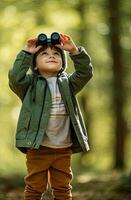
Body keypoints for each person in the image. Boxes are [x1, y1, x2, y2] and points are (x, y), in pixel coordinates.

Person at [8, 33, 93, 200]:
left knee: (63, 187)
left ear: (62, 62)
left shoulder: (68, 83)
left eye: (56, 54)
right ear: (35, 65)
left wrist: (74, 51)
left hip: (63, 148)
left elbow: (85, 73)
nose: (51, 56)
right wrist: (26, 52)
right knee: (35, 187)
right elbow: (15, 78)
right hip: (38, 147)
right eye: (44, 54)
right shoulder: (29, 85)